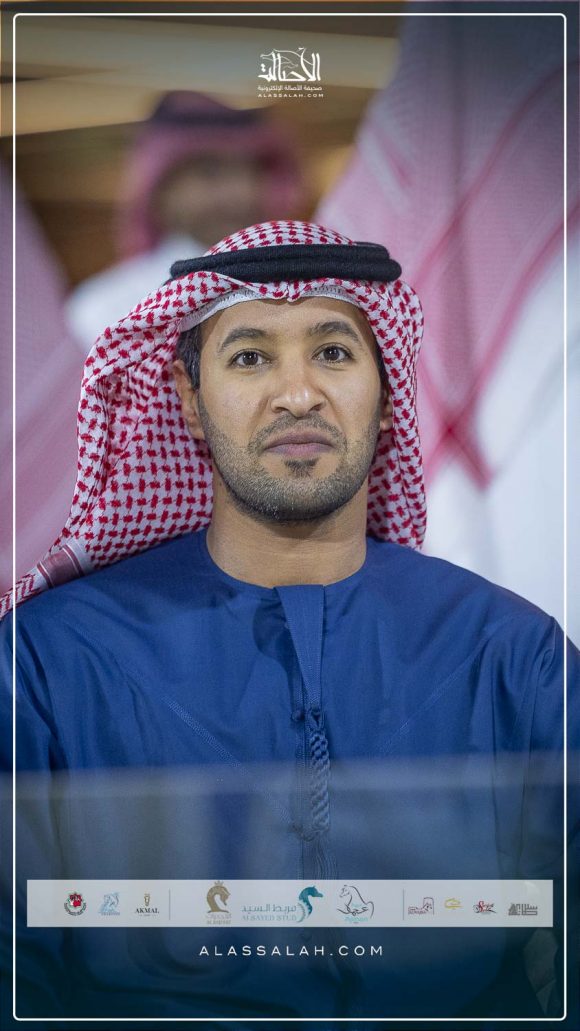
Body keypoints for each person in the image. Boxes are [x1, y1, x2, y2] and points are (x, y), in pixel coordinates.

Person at [1, 221, 577, 1024]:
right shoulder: (47, 663)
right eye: (250, 357)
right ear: (189, 402)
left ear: (388, 394)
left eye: (333, 352)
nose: (298, 394)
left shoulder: (515, 656)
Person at [65, 92, 304, 353]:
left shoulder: (300, 287)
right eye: (210, 172)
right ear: (161, 190)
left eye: (251, 171)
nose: (241, 192)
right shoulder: (104, 307)